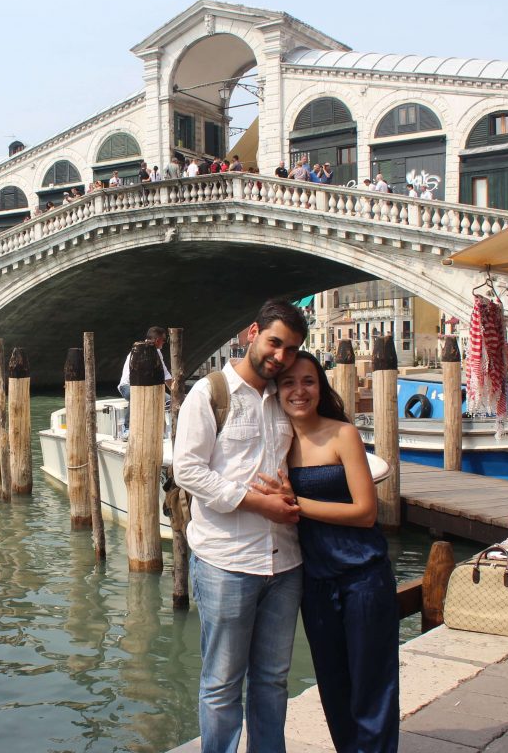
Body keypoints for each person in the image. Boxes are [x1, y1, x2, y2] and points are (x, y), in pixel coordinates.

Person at [172, 299, 308, 753]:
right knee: (222, 683)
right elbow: (187, 471)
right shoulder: (210, 393)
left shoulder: (286, 397)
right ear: (252, 333)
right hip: (226, 561)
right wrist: (258, 504)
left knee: (272, 680)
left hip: (285, 561)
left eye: (291, 350)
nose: (281, 357)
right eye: (275, 343)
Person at [253, 352, 399, 752]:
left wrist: (295, 503)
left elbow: (365, 512)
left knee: (372, 684)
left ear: (321, 387)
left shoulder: (342, 435)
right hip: (315, 581)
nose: (299, 391)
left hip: (363, 577)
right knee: (333, 687)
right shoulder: (276, 445)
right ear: (276, 391)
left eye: (308, 381)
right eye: (288, 383)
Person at [117, 326, 173, 433]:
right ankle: (127, 428)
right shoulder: (139, 350)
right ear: (158, 340)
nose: (164, 343)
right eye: (164, 340)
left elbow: (166, 375)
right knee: (137, 395)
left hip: (148, 387)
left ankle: (161, 430)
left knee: (169, 401)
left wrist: (177, 394)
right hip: (128, 386)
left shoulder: (158, 353)